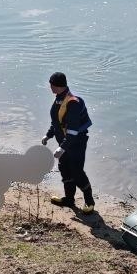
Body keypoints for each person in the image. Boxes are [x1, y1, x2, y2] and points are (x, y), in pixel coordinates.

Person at [41, 71, 95, 214]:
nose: (50, 87)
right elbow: (56, 122)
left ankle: (89, 202)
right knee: (64, 169)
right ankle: (69, 199)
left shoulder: (73, 102)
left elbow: (73, 131)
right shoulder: (59, 99)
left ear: (57, 85)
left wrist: (62, 148)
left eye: (51, 85)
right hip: (64, 142)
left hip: (76, 143)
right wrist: (48, 135)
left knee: (77, 171)